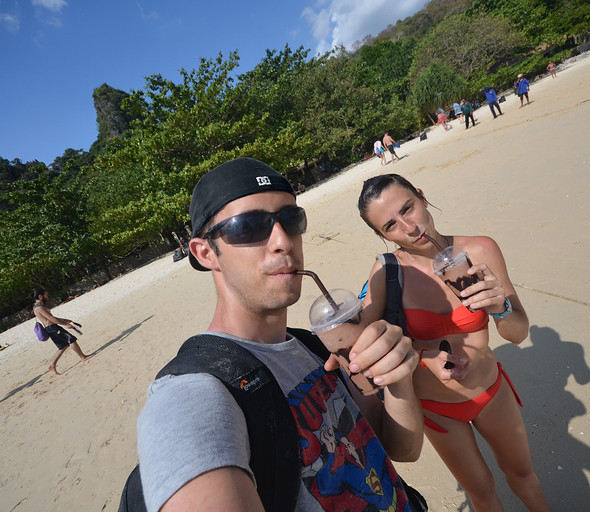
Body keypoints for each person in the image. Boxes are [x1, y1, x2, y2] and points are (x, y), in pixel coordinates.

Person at [136, 158, 425, 512]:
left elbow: (401, 448)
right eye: (248, 227)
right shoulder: (192, 395)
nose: (282, 241)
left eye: (290, 220)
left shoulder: (313, 347)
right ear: (206, 252)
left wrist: (399, 379)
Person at [357, 174, 551, 512]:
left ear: (422, 196)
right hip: (437, 410)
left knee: (523, 476)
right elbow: (361, 352)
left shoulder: (480, 249)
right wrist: (421, 356)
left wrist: (500, 307)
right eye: (391, 225)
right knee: (482, 493)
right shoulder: (387, 273)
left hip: (491, 391)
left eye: (408, 208)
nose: (410, 227)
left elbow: (517, 334)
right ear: (381, 235)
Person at [32, 288, 94, 375]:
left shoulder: (38, 307)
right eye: (46, 295)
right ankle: (83, 357)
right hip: (53, 328)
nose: (47, 296)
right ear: (40, 296)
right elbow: (50, 318)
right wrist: (65, 324)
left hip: (52, 327)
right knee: (71, 340)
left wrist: (64, 320)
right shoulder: (39, 308)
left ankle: (52, 365)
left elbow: (50, 318)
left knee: (63, 346)